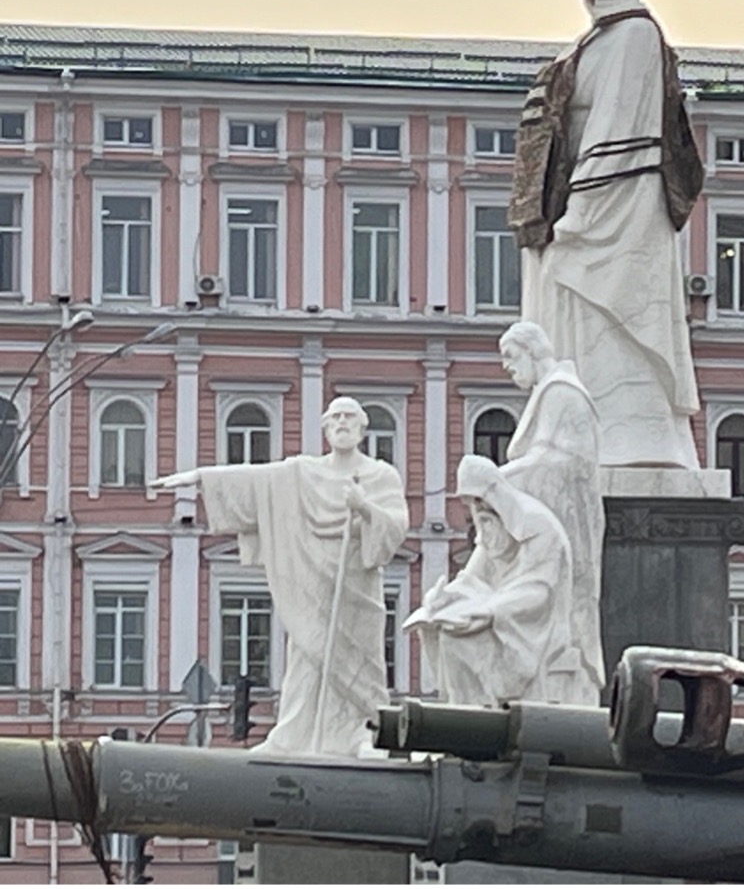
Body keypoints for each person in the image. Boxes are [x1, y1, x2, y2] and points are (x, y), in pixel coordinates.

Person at [509, 0, 704, 469]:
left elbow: (620, 127)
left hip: (618, 213)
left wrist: (580, 216)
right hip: (584, 204)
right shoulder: (596, 41)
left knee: (615, 320)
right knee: (581, 322)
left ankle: (632, 439)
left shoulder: (637, 35)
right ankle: (587, 435)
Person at [151, 397, 408, 756]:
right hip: (313, 583)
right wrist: (200, 479)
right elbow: (256, 481)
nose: (342, 423)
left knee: (362, 660)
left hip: (357, 584)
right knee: (307, 657)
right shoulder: (304, 473)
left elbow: (397, 525)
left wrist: (364, 507)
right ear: (325, 428)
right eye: (335, 418)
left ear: (363, 428)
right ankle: (291, 735)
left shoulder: (381, 475)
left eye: (350, 417)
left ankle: (363, 733)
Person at [405, 455, 575, 707]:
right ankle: (463, 711)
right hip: (501, 615)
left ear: (495, 492)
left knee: (458, 639)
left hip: (530, 627)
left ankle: (475, 718)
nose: (477, 508)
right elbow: (472, 578)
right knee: (442, 630)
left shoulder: (537, 526)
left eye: (479, 499)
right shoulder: (491, 524)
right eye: (471, 502)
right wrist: (443, 599)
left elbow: (538, 592)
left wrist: (489, 611)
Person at [496, 321, 605, 702]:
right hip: (548, 516)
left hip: (567, 518)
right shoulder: (549, 393)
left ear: (532, 351)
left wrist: (498, 479)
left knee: (564, 609)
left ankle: (562, 683)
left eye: (510, 357)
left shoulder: (562, 392)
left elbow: (561, 459)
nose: (507, 367)